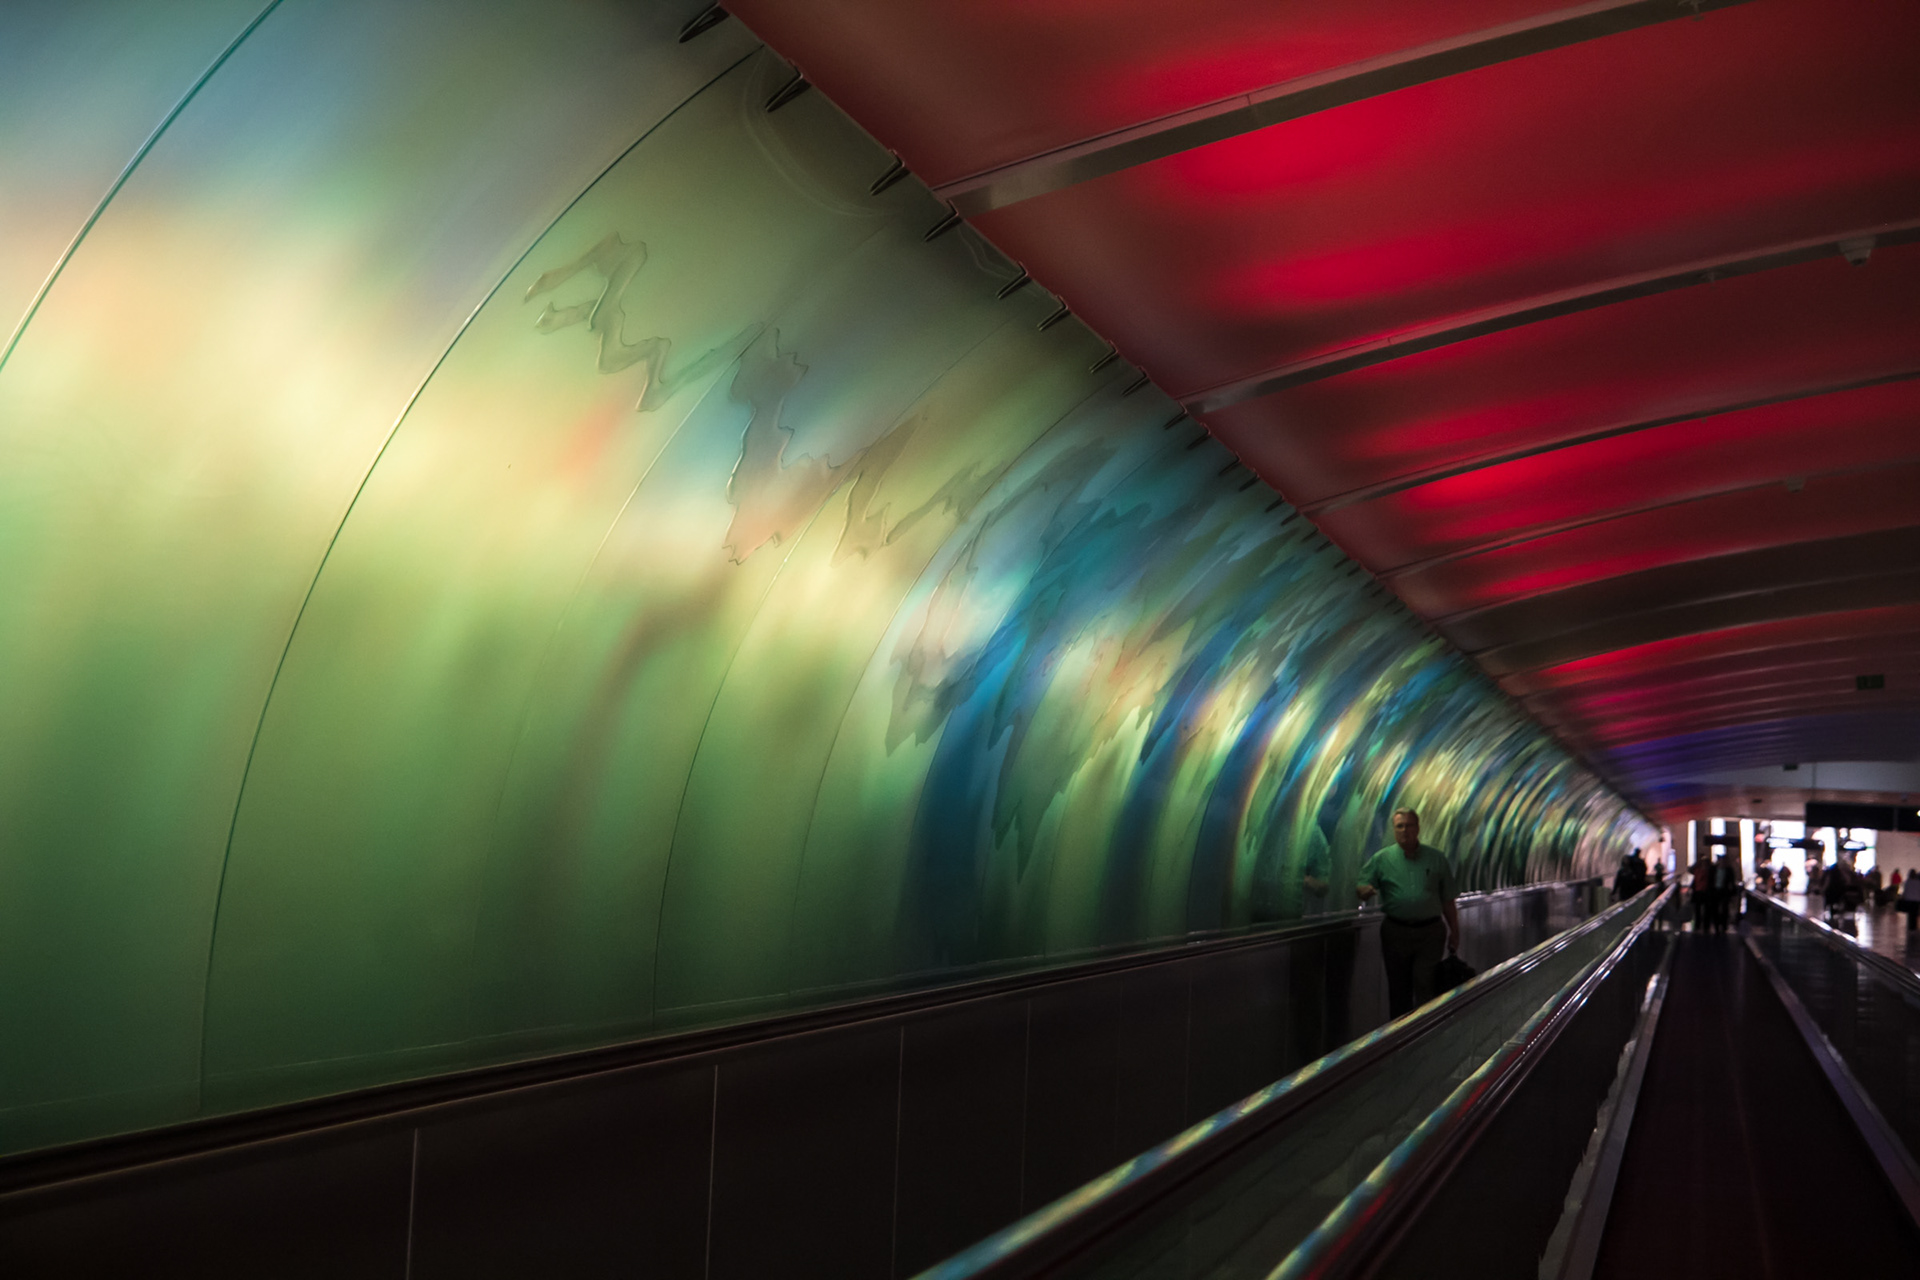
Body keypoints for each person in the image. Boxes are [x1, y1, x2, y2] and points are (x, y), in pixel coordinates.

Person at [1356, 807, 1460, 1018]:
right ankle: (1399, 1040)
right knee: (1398, 989)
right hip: (1396, 932)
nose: (1405, 830)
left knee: (1426, 985)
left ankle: (1424, 1037)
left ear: (1418, 828)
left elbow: (1448, 899)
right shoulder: (1382, 859)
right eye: (1399, 826)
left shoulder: (1436, 859)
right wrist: (1364, 891)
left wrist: (1455, 931)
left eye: (1409, 825)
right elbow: (1361, 884)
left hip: (1430, 932)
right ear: (1394, 830)